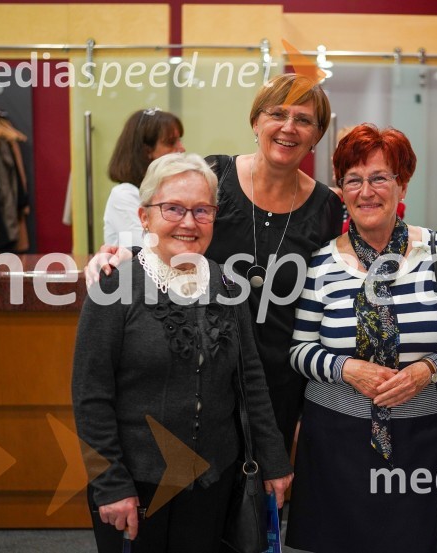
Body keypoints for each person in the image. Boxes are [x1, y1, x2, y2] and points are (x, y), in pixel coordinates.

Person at [86, 74, 342, 460]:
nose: (289, 127)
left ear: (317, 134)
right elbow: (168, 237)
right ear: (256, 122)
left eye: (304, 120)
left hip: (279, 382)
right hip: (200, 370)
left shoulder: (326, 206)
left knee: (262, 501)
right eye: (277, 114)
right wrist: (123, 254)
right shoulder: (214, 175)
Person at [73, 153, 292, 552]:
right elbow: (91, 397)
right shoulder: (113, 288)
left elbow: (251, 380)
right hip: (136, 486)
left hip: (214, 481)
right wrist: (110, 483)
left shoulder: (228, 282)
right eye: (173, 208)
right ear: (144, 217)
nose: (188, 222)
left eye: (202, 210)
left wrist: (274, 461)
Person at [286, 124, 437, 553]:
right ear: (341, 190)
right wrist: (348, 369)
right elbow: (299, 350)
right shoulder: (321, 262)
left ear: (401, 184)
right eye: (354, 180)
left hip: (418, 437)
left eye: (380, 177)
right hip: (334, 438)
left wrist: (427, 370)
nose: (367, 191)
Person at [103, 108, 185, 246]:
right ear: (147, 151)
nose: (182, 148)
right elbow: (147, 248)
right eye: (171, 142)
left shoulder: (169, 191)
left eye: (179, 140)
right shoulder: (124, 195)